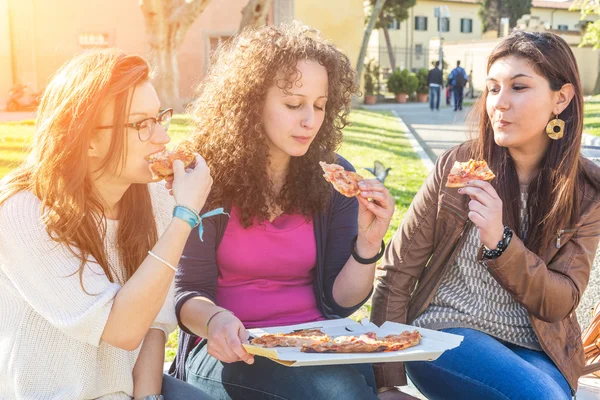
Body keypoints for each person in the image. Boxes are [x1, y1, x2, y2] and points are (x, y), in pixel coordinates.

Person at [170, 23, 396, 400]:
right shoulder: (206, 178)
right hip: (231, 348)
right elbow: (186, 292)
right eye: (293, 104)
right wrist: (216, 320)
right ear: (251, 101)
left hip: (316, 344)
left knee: (348, 385)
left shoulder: (333, 176)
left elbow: (341, 302)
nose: (310, 120)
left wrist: (369, 242)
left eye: (320, 106)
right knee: (339, 392)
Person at [372, 31, 600, 400]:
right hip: (447, 330)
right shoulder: (458, 167)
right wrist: (386, 382)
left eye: (518, 87)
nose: (500, 104)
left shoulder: (586, 192)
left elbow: (559, 302)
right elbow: (397, 271)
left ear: (561, 98)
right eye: (493, 88)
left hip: (537, 346)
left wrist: (501, 242)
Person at [0, 49, 214, 399]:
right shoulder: (22, 212)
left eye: (159, 117)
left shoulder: (154, 197)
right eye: (140, 124)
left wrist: (148, 398)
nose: (162, 137)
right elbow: (123, 329)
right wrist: (184, 217)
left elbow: (152, 326)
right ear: (86, 140)